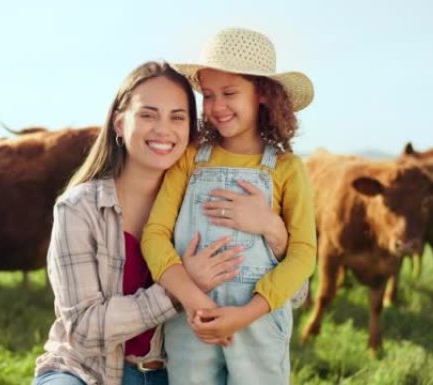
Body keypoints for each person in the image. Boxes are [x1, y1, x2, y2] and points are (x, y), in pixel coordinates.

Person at [33, 61, 289, 385]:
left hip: (173, 375)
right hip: (87, 371)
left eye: (177, 117)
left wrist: (273, 231)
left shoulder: (202, 200)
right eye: (148, 114)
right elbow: (84, 329)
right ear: (119, 124)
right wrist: (177, 290)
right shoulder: (80, 208)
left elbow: (293, 292)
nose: (163, 130)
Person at [141, 27, 317, 385]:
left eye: (230, 93)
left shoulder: (286, 168)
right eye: (208, 95)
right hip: (192, 319)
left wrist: (248, 312)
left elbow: (303, 254)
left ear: (263, 95)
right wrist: (193, 300)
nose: (216, 106)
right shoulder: (189, 160)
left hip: (259, 321)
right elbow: (155, 235)